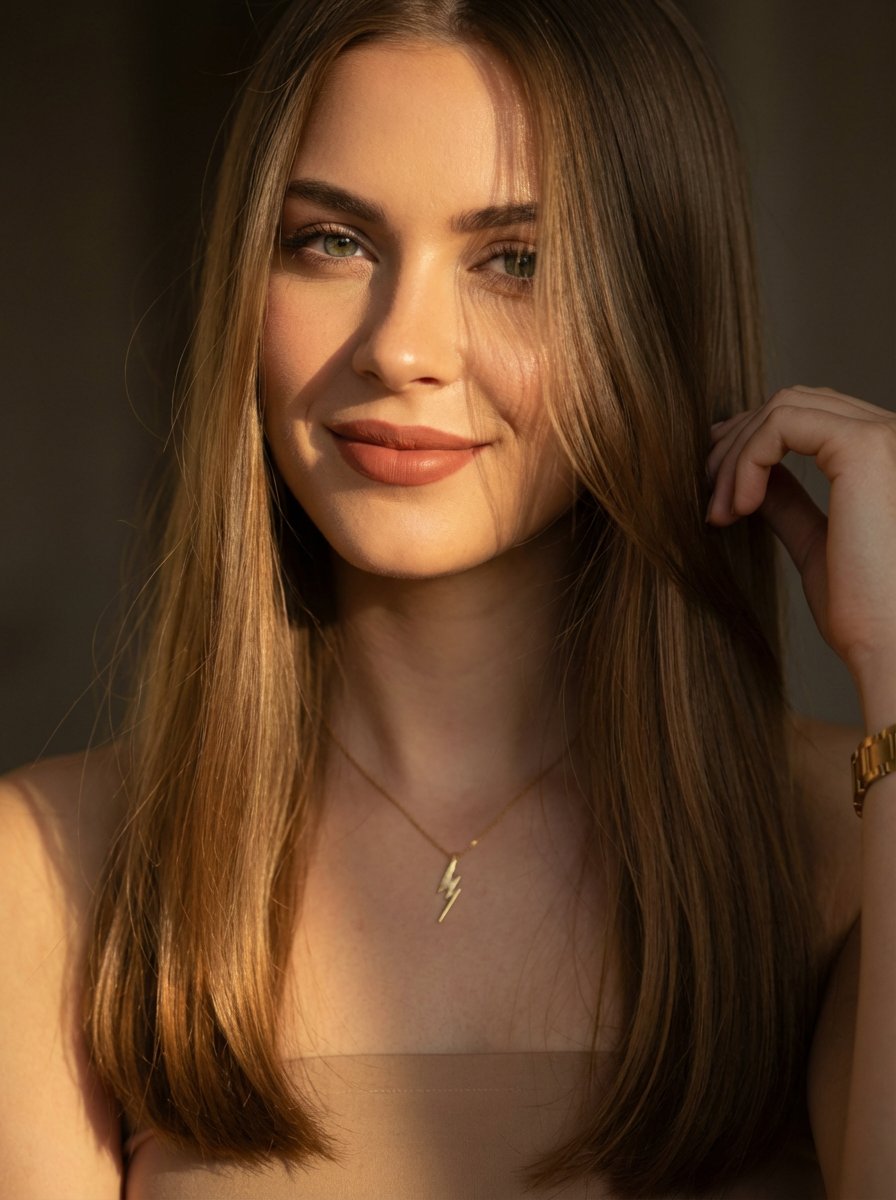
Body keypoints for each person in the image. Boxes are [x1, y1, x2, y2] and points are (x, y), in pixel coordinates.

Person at [1, 0, 893, 1196]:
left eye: (515, 260)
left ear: (656, 317)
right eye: (332, 242)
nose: (401, 348)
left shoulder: (850, 849)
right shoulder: (45, 876)